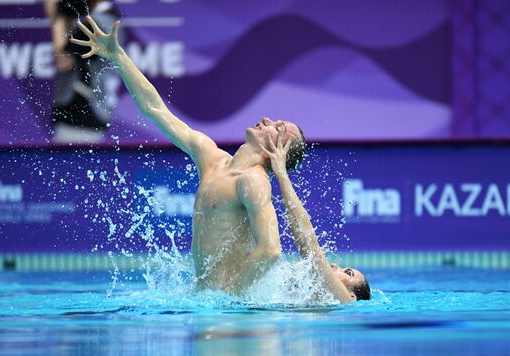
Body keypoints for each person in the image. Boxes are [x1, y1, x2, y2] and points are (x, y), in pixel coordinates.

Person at [71, 16, 306, 295]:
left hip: (229, 321)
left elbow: (271, 251)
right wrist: (117, 56)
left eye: (276, 127)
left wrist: (231, 298)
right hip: (210, 307)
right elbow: (155, 109)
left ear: (276, 150)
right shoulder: (211, 157)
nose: (267, 119)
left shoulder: (253, 181)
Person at [261, 132, 371, 302]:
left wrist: (281, 172)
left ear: (352, 296)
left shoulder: (345, 300)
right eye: (346, 269)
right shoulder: (313, 301)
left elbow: (308, 244)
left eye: (348, 273)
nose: (335, 266)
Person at [45, 0, 121, 144]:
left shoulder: (95, 24)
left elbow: (63, 60)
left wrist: (57, 18)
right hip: (93, 111)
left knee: (71, 165)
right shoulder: (109, 18)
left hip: (82, 114)